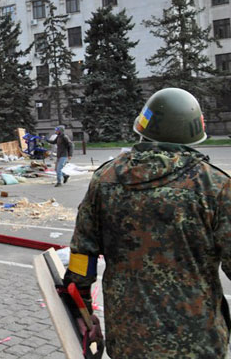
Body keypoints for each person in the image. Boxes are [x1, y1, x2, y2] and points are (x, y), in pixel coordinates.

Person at [63, 87, 231, 358]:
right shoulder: (215, 186)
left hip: (128, 338)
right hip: (198, 340)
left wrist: (81, 310)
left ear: (144, 127)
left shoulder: (104, 179)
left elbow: (82, 254)